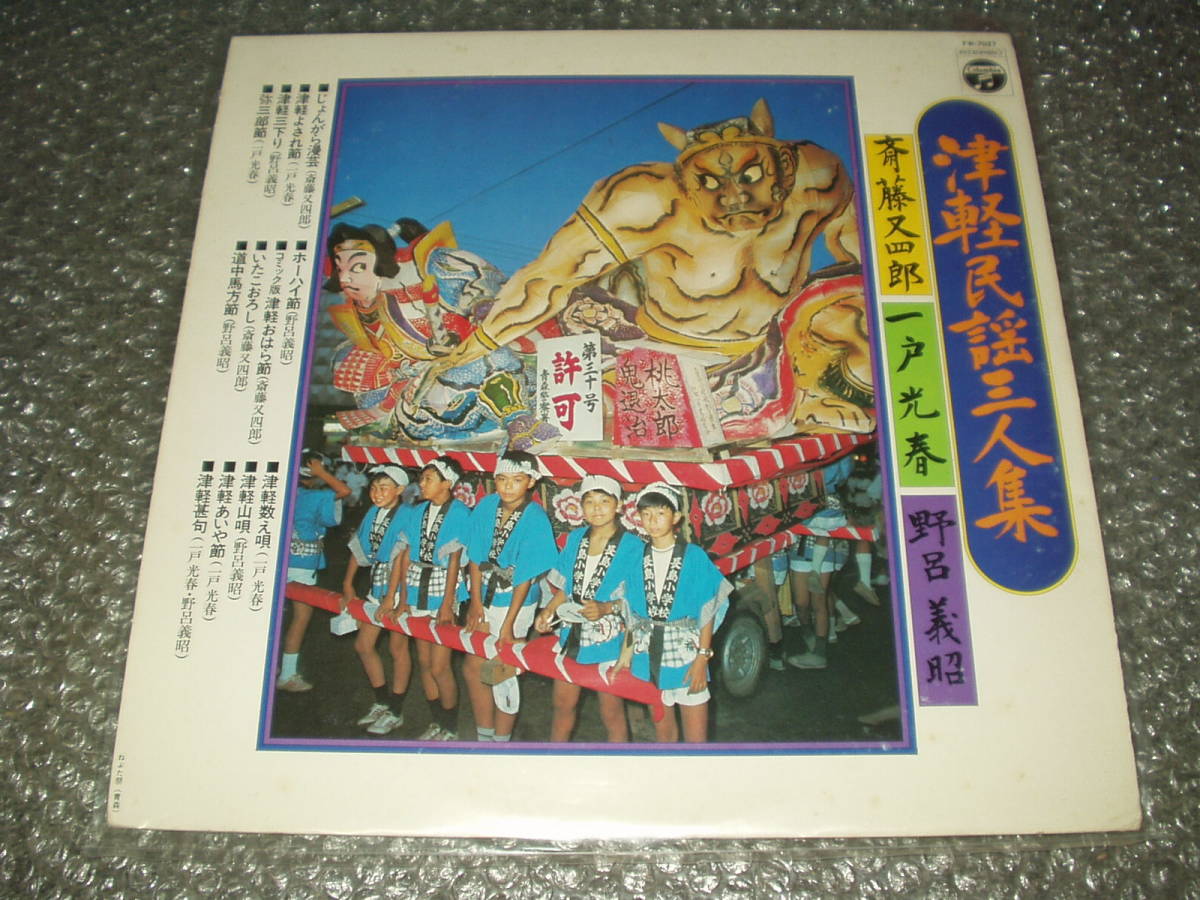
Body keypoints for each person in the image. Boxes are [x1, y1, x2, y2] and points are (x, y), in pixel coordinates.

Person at [534, 475, 643, 742]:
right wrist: (549, 610)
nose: (597, 508)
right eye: (590, 502)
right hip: (572, 633)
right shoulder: (575, 539)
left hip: (612, 638)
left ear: (619, 505)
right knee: (562, 704)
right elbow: (566, 587)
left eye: (604, 501)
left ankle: (620, 761)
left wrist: (607, 608)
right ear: (581, 507)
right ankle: (553, 757)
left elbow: (640, 601)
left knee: (611, 711)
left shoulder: (634, 547)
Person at [620, 482, 730, 743]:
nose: (653, 521)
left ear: (676, 517)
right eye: (646, 514)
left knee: (696, 739)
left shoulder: (694, 556)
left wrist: (702, 658)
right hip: (647, 654)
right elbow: (630, 613)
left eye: (661, 513)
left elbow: (708, 608)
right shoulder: (636, 557)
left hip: (685, 653)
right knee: (663, 732)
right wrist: (626, 652)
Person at [462, 450, 557, 742]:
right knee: (473, 667)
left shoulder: (535, 517)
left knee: (502, 668)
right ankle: (484, 735)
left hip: (516, 601)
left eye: (516, 480)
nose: (508, 486)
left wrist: (509, 625)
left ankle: (501, 740)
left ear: (530, 482)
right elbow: (475, 556)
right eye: (502, 479)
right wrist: (475, 602)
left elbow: (525, 576)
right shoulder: (487, 505)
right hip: (484, 594)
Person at [380, 457, 471, 741]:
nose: (421, 483)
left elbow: (455, 560)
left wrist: (447, 604)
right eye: (421, 478)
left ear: (447, 483)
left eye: (428, 479)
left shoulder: (460, 512)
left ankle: (451, 727)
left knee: (440, 666)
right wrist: (401, 598)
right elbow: (406, 554)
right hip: (416, 583)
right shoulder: (417, 510)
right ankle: (437, 721)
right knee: (424, 660)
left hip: (443, 587)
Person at [341, 465, 412, 735]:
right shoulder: (373, 512)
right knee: (363, 644)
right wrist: (348, 583)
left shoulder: (407, 515)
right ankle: (382, 702)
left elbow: (403, 558)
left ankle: (396, 710)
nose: (376, 493)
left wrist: (393, 597)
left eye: (384, 488)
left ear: (400, 490)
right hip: (377, 582)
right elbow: (358, 547)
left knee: (397, 648)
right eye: (373, 487)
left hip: (400, 586)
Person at [279, 450, 351, 692]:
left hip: (281, 558)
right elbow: (344, 491)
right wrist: (322, 473)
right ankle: (287, 675)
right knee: (301, 617)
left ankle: (277, 666)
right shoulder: (314, 496)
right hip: (302, 562)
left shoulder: (287, 491)